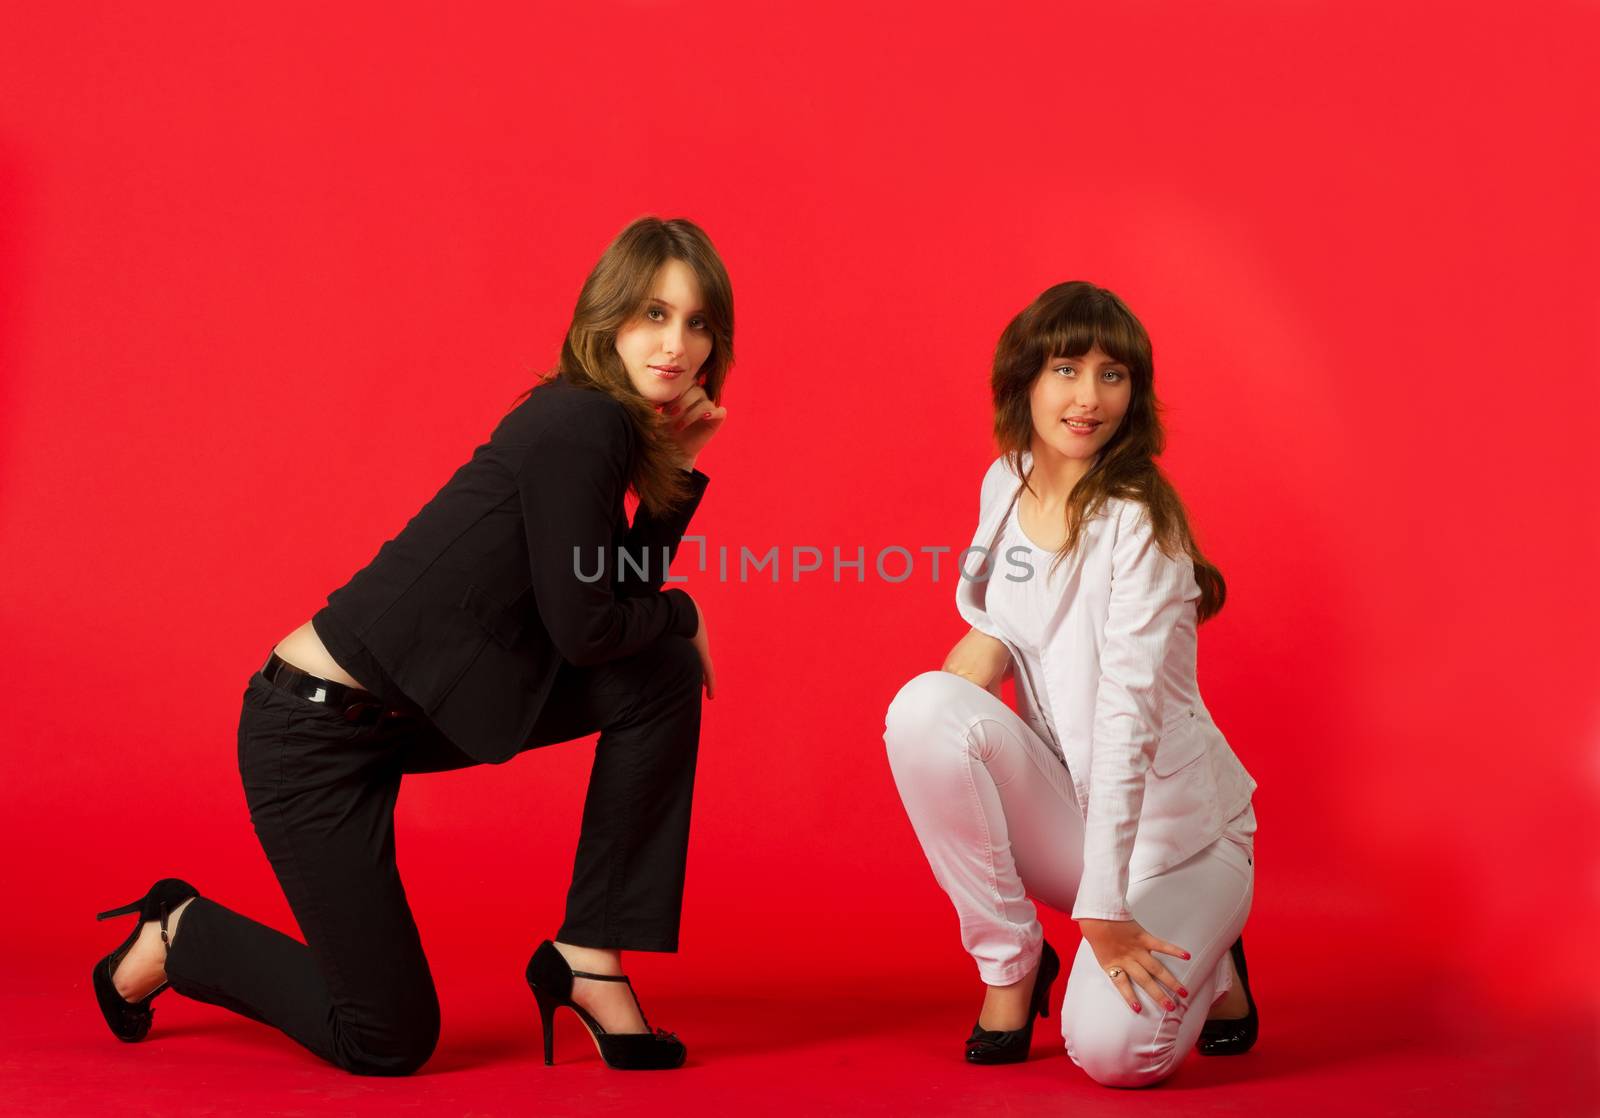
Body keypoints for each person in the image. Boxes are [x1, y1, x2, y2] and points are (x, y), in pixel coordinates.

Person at [90, 216, 733, 1075]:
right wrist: (686, 615)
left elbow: (607, 609)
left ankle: (591, 956)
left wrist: (674, 484)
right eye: (654, 315)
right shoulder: (582, 423)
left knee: (656, 671)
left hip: (403, 717)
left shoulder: (596, 429)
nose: (676, 346)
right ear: (606, 316)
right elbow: (587, 633)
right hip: (310, 738)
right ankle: (179, 934)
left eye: (697, 324)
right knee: (386, 1038)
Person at [883, 281, 1260, 1087]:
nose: (1089, 398)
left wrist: (1106, 909)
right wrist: (990, 635)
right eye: (1065, 369)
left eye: (1113, 375)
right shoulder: (1006, 479)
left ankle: (1214, 961)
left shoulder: (1140, 525)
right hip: (1078, 811)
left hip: (1178, 837)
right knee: (922, 711)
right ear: (1023, 380)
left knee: (1116, 1055)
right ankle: (1011, 963)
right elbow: (1010, 597)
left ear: (1136, 392)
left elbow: (1126, 718)